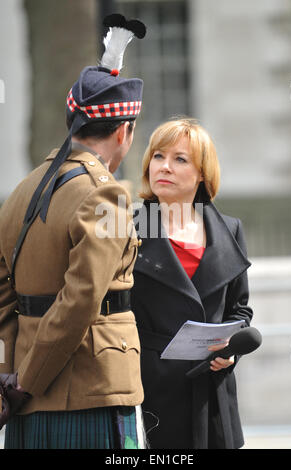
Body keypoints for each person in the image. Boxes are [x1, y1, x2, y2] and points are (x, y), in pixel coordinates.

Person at [0, 14, 147, 449]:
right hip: (90, 393)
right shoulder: (107, 196)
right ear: (125, 130)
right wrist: (29, 380)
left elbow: (3, 299)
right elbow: (81, 299)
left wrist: (10, 374)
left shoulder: (20, 191)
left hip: (24, 401)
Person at [131, 117, 254, 449]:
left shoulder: (230, 229)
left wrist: (229, 353)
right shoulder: (126, 226)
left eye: (179, 159)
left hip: (212, 394)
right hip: (148, 390)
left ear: (202, 172)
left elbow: (240, 309)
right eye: (158, 156)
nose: (164, 167)